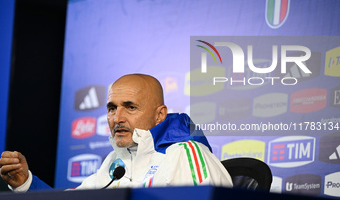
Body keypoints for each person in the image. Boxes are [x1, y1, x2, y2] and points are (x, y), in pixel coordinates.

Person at [0, 74, 232, 191]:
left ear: (160, 115)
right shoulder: (115, 162)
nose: (117, 118)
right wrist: (25, 182)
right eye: (112, 108)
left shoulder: (184, 153)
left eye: (130, 107)